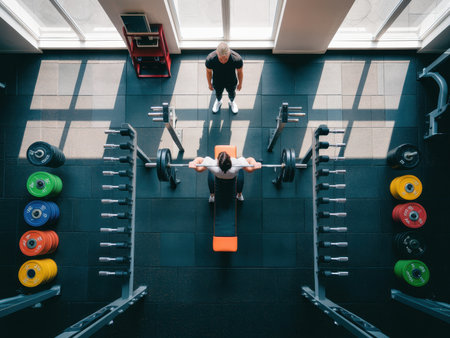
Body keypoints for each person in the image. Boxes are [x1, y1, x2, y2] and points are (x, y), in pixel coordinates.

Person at [189, 152, 261, 203]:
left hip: (218, 176)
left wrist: (194, 163)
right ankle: (239, 195)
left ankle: (212, 196)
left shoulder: (212, 164)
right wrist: (254, 164)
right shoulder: (237, 163)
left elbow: (199, 168)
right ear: (230, 159)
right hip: (232, 177)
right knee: (241, 171)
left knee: (210, 172)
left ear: (218, 162)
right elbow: (250, 167)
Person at [205, 42, 243, 114]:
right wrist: (209, 84)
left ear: (229, 53)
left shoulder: (237, 58)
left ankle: (231, 102)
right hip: (217, 81)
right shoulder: (210, 59)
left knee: (232, 93)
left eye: (225, 59)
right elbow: (209, 72)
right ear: (217, 53)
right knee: (218, 93)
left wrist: (240, 84)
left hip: (231, 81)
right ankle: (219, 101)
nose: (223, 61)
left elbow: (240, 72)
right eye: (221, 59)